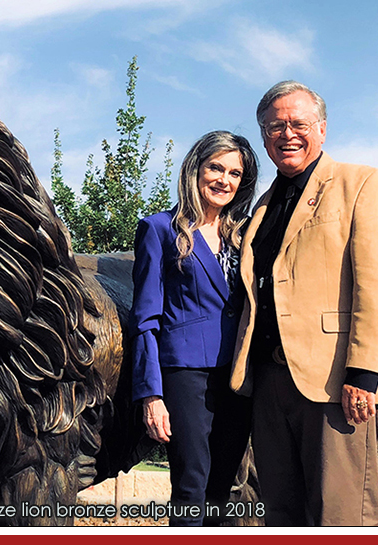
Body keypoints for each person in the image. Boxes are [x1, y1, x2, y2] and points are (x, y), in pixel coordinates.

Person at [230, 80, 378, 526]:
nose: (286, 133)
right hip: (268, 382)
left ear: (322, 129)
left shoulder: (362, 183)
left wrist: (363, 375)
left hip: (335, 383)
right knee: (281, 516)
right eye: (274, 127)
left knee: (340, 516)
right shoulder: (263, 207)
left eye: (298, 123)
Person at [130, 130, 259, 526]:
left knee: (222, 488)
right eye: (215, 168)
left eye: (235, 173)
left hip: (238, 376)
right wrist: (151, 394)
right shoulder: (160, 229)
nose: (224, 180)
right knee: (191, 484)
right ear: (196, 169)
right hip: (187, 374)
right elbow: (145, 319)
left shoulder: (246, 235)